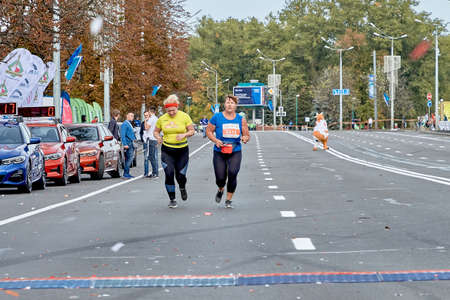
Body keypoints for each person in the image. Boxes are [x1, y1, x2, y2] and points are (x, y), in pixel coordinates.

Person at [206, 95, 250, 209]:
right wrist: (216, 140)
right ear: (224, 104)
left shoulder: (240, 119)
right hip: (219, 151)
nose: (230, 105)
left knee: (232, 173)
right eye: (227, 102)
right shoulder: (217, 117)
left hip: (235, 151)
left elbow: (246, 134)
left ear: (235, 105)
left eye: (232, 103)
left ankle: (228, 199)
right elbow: (209, 131)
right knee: (220, 178)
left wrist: (245, 138)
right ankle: (221, 189)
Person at [154, 95, 195, 208]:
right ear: (166, 109)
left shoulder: (184, 116)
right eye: (169, 110)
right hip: (167, 150)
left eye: (173, 110)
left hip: (182, 151)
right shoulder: (162, 119)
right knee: (169, 174)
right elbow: (156, 131)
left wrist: (184, 134)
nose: (171, 112)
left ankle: (182, 187)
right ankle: (172, 199)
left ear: (177, 107)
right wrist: (158, 137)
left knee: (180, 176)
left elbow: (192, 131)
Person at [143, 108, 159, 178]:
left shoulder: (151, 119)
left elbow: (146, 128)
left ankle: (155, 173)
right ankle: (155, 172)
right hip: (155, 138)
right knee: (154, 156)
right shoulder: (156, 118)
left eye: (148, 112)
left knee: (151, 157)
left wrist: (145, 121)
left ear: (150, 112)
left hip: (151, 139)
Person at [120, 113, 136, 178]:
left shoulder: (129, 123)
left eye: (133, 116)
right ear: (127, 116)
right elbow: (122, 135)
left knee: (129, 158)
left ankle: (127, 173)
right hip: (128, 143)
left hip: (131, 143)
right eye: (131, 116)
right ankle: (126, 173)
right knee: (129, 158)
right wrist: (125, 144)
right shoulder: (125, 124)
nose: (132, 117)